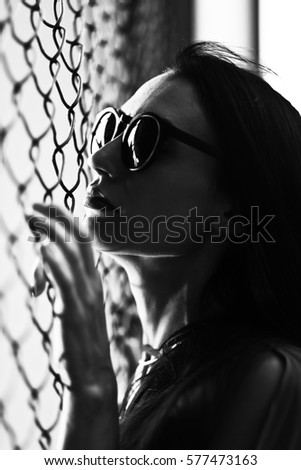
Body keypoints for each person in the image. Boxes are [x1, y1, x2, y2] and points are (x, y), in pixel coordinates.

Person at [30, 41, 301, 449]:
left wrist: (91, 391)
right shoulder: (166, 372)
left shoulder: (270, 377)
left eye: (143, 141)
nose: (100, 158)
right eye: (111, 128)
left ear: (233, 202)